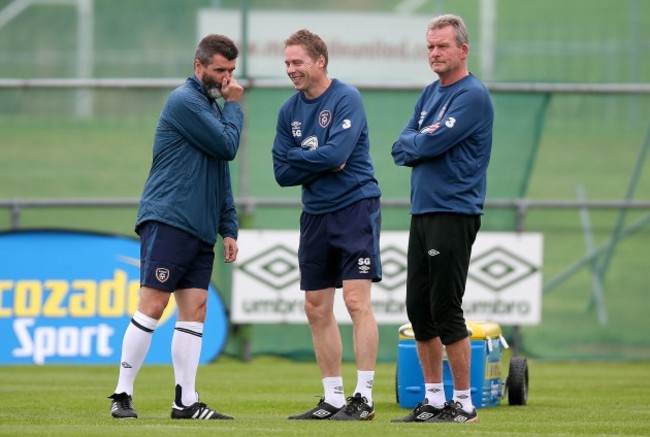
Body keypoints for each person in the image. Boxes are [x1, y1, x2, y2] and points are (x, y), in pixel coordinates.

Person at [107, 34, 244, 420]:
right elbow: (228, 146)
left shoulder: (213, 110)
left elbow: (221, 171)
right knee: (152, 305)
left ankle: (185, 401)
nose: (227, 79)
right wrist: (235, 106)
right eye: (220, 70)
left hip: (200, 227)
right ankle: (122, 393)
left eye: (232, 71)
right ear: (198, 66)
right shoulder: (184, 101)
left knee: (195, 310)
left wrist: (228, 226)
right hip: (169, 219)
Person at [272, 29, 382, 421]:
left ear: (320, 61)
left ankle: (363, 398)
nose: (291, 69)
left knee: (356, 302)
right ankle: (333, 398)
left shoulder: (346, 98)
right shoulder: (289, 111)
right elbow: (281, 173)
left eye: (297, 62)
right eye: (287, 63)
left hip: (355, 207)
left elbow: (338, 153)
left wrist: (305, 157)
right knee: (316, 307)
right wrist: (322, 159)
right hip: (315, 213)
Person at [390, 14, 494, 424]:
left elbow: (432, 142)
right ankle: (434, 400)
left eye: (442, 46)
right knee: (418, 308)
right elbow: (402, 148)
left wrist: (421, 141)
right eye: (430, 46)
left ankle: (464, 404)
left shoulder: (472, 95)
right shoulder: (430, 94)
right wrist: (421, 141)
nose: (434, 53)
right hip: (424, 210)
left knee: (445, 307)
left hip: (454, 210)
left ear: (462, 50)